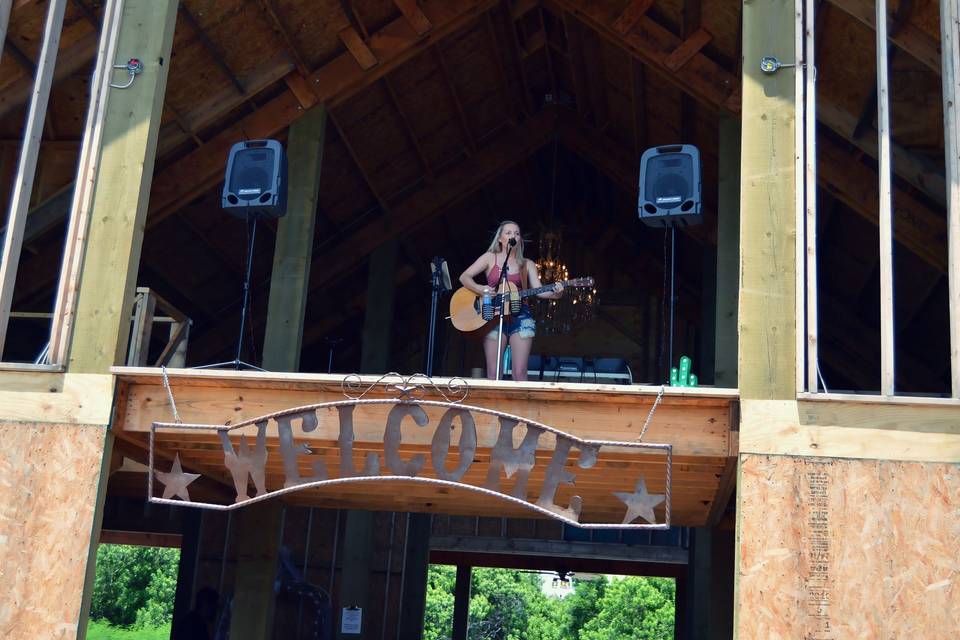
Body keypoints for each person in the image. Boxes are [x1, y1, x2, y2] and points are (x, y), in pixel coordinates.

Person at [459, 221, 563, 380]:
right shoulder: (489, 258)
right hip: (493, 316)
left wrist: (556, 294)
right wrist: (481, 289)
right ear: (500, 238)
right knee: (493, 373)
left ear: (520, 239)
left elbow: (539, 291)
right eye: (508, 233)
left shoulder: (527, 264)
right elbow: (464, 277)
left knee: (520, 372)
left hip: (520, 316)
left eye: (516, 233)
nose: (513, 236)